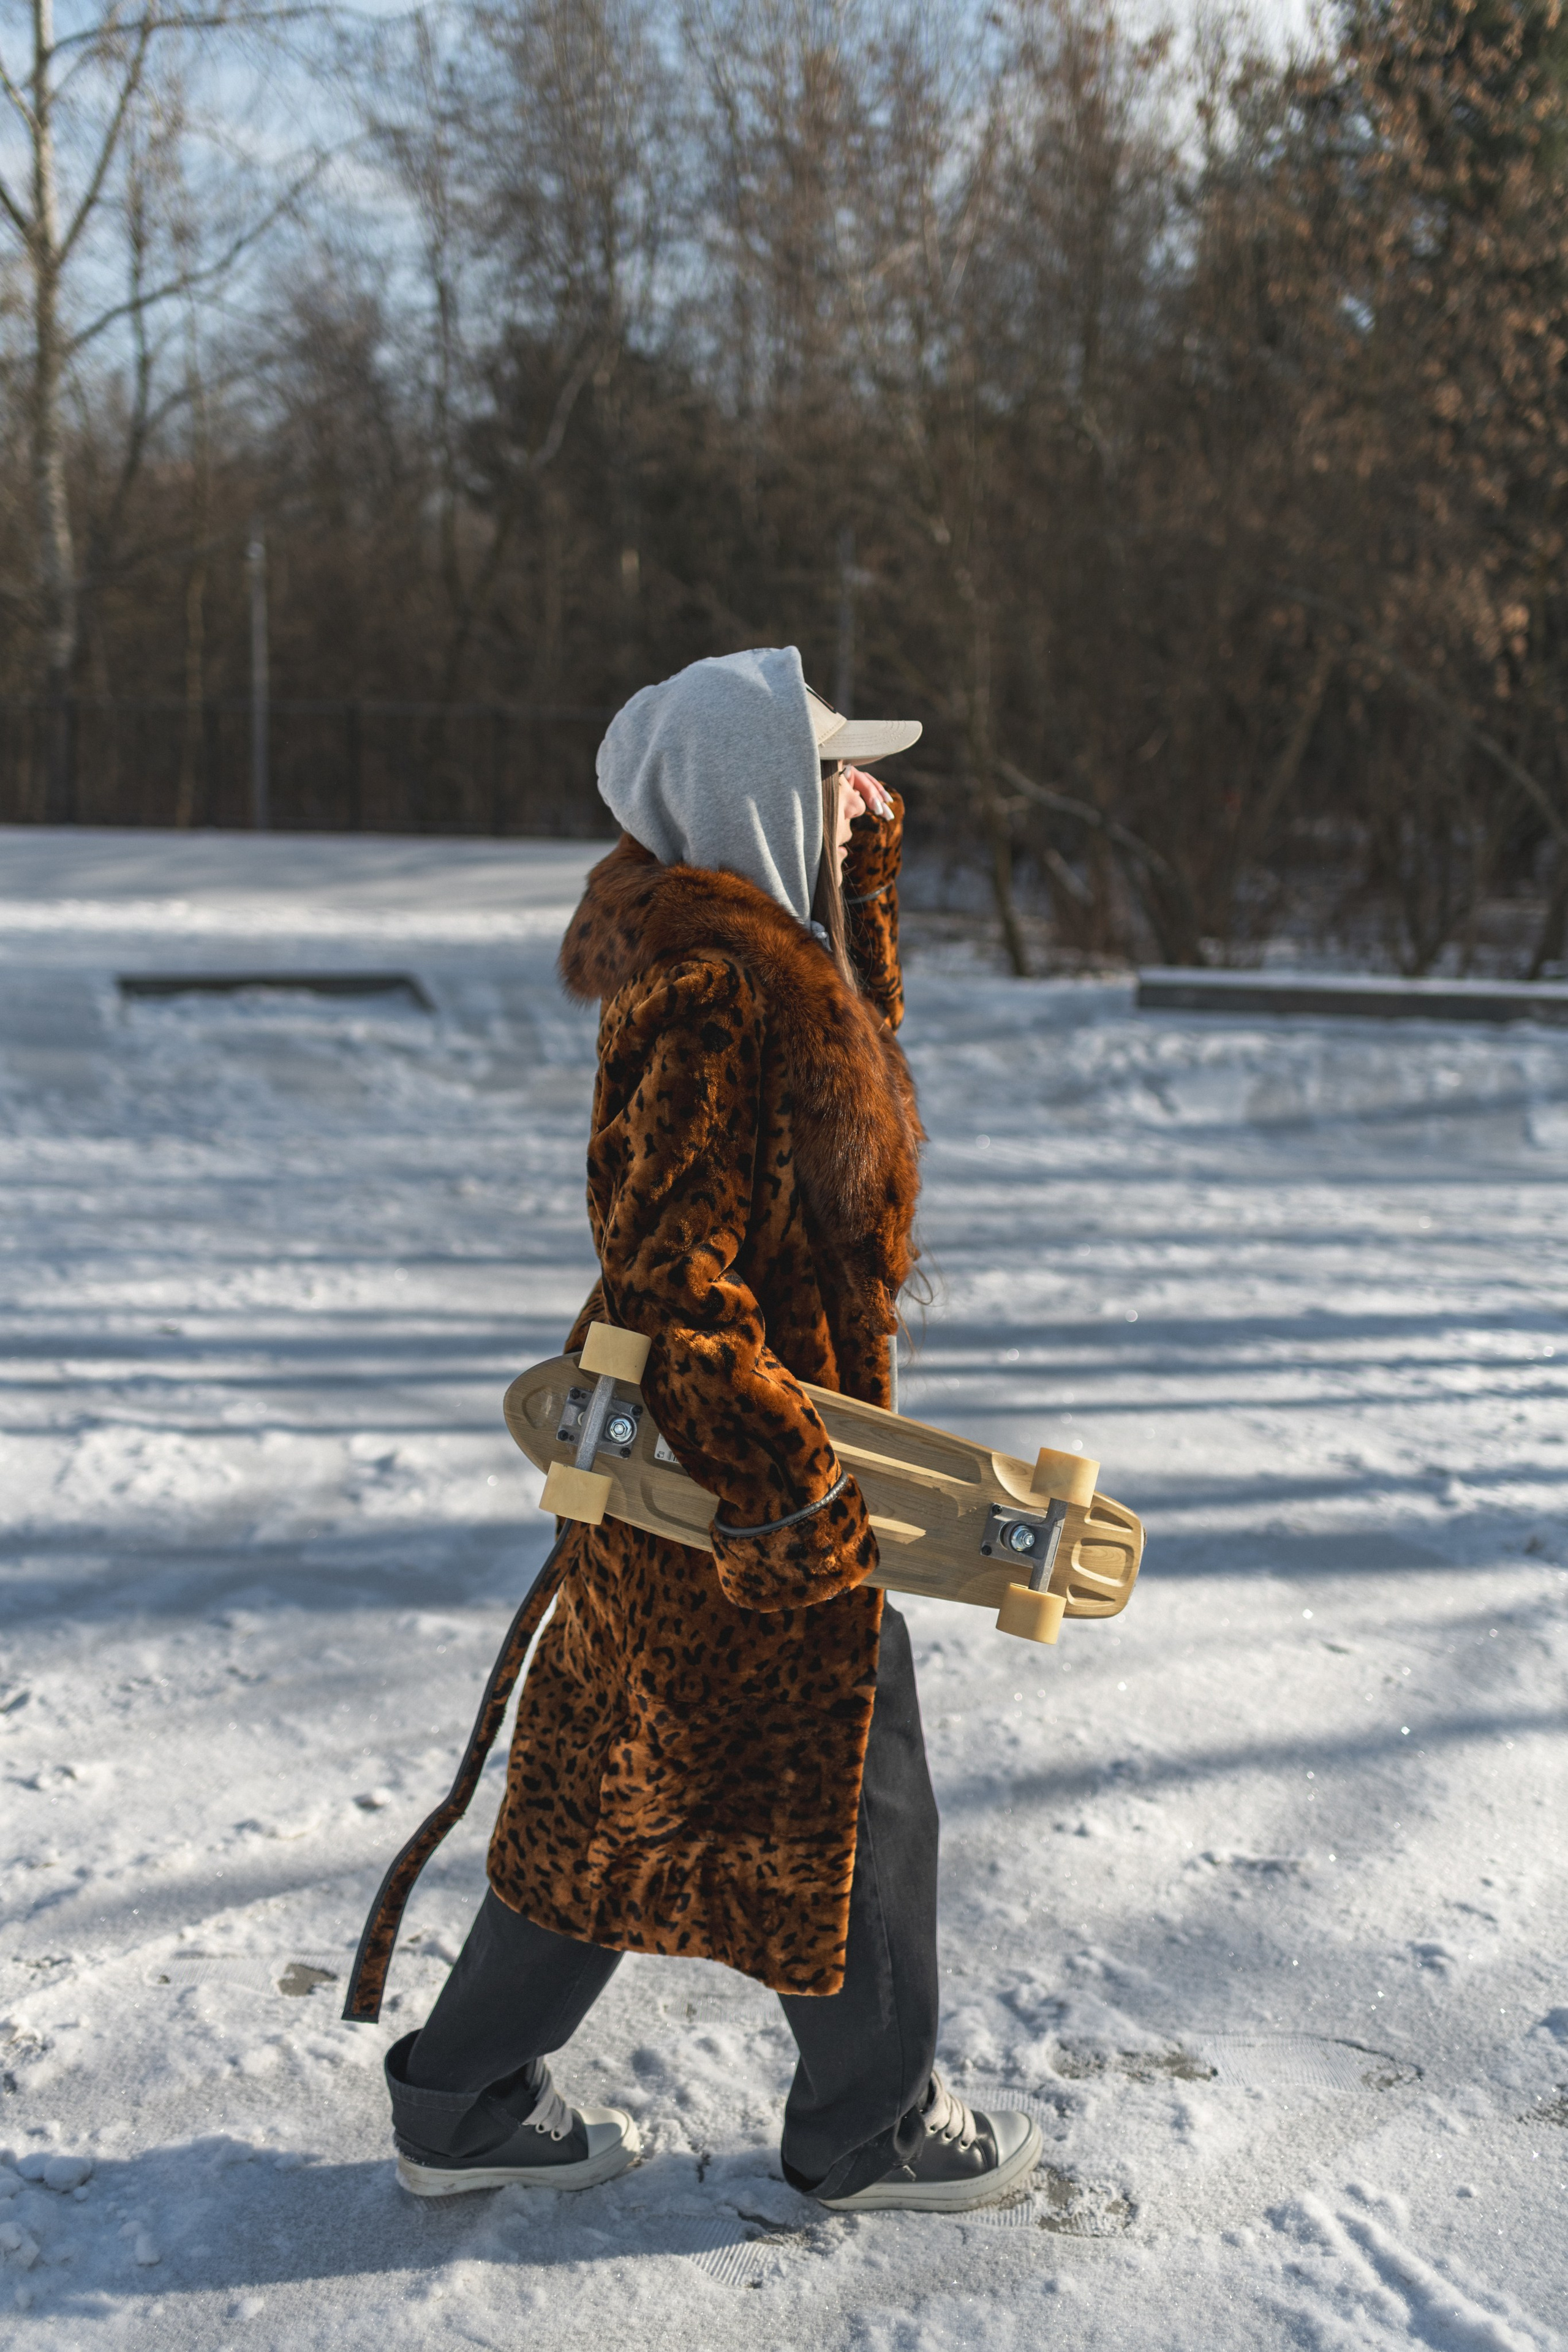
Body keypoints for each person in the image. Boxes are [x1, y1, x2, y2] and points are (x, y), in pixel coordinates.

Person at [371, 647, 1041, 2212]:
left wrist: (860, 874)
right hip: (736, 1475)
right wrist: (792, 1501)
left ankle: (459, 2101)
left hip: (702, 1480)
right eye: (832, 779)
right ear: (759, 795)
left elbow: (856, 1104)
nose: (861, 792)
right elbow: (674, 1281)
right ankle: (866, 2129)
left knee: (620, 1780)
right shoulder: (711, 995)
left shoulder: (753, 964)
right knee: (856, 1778)